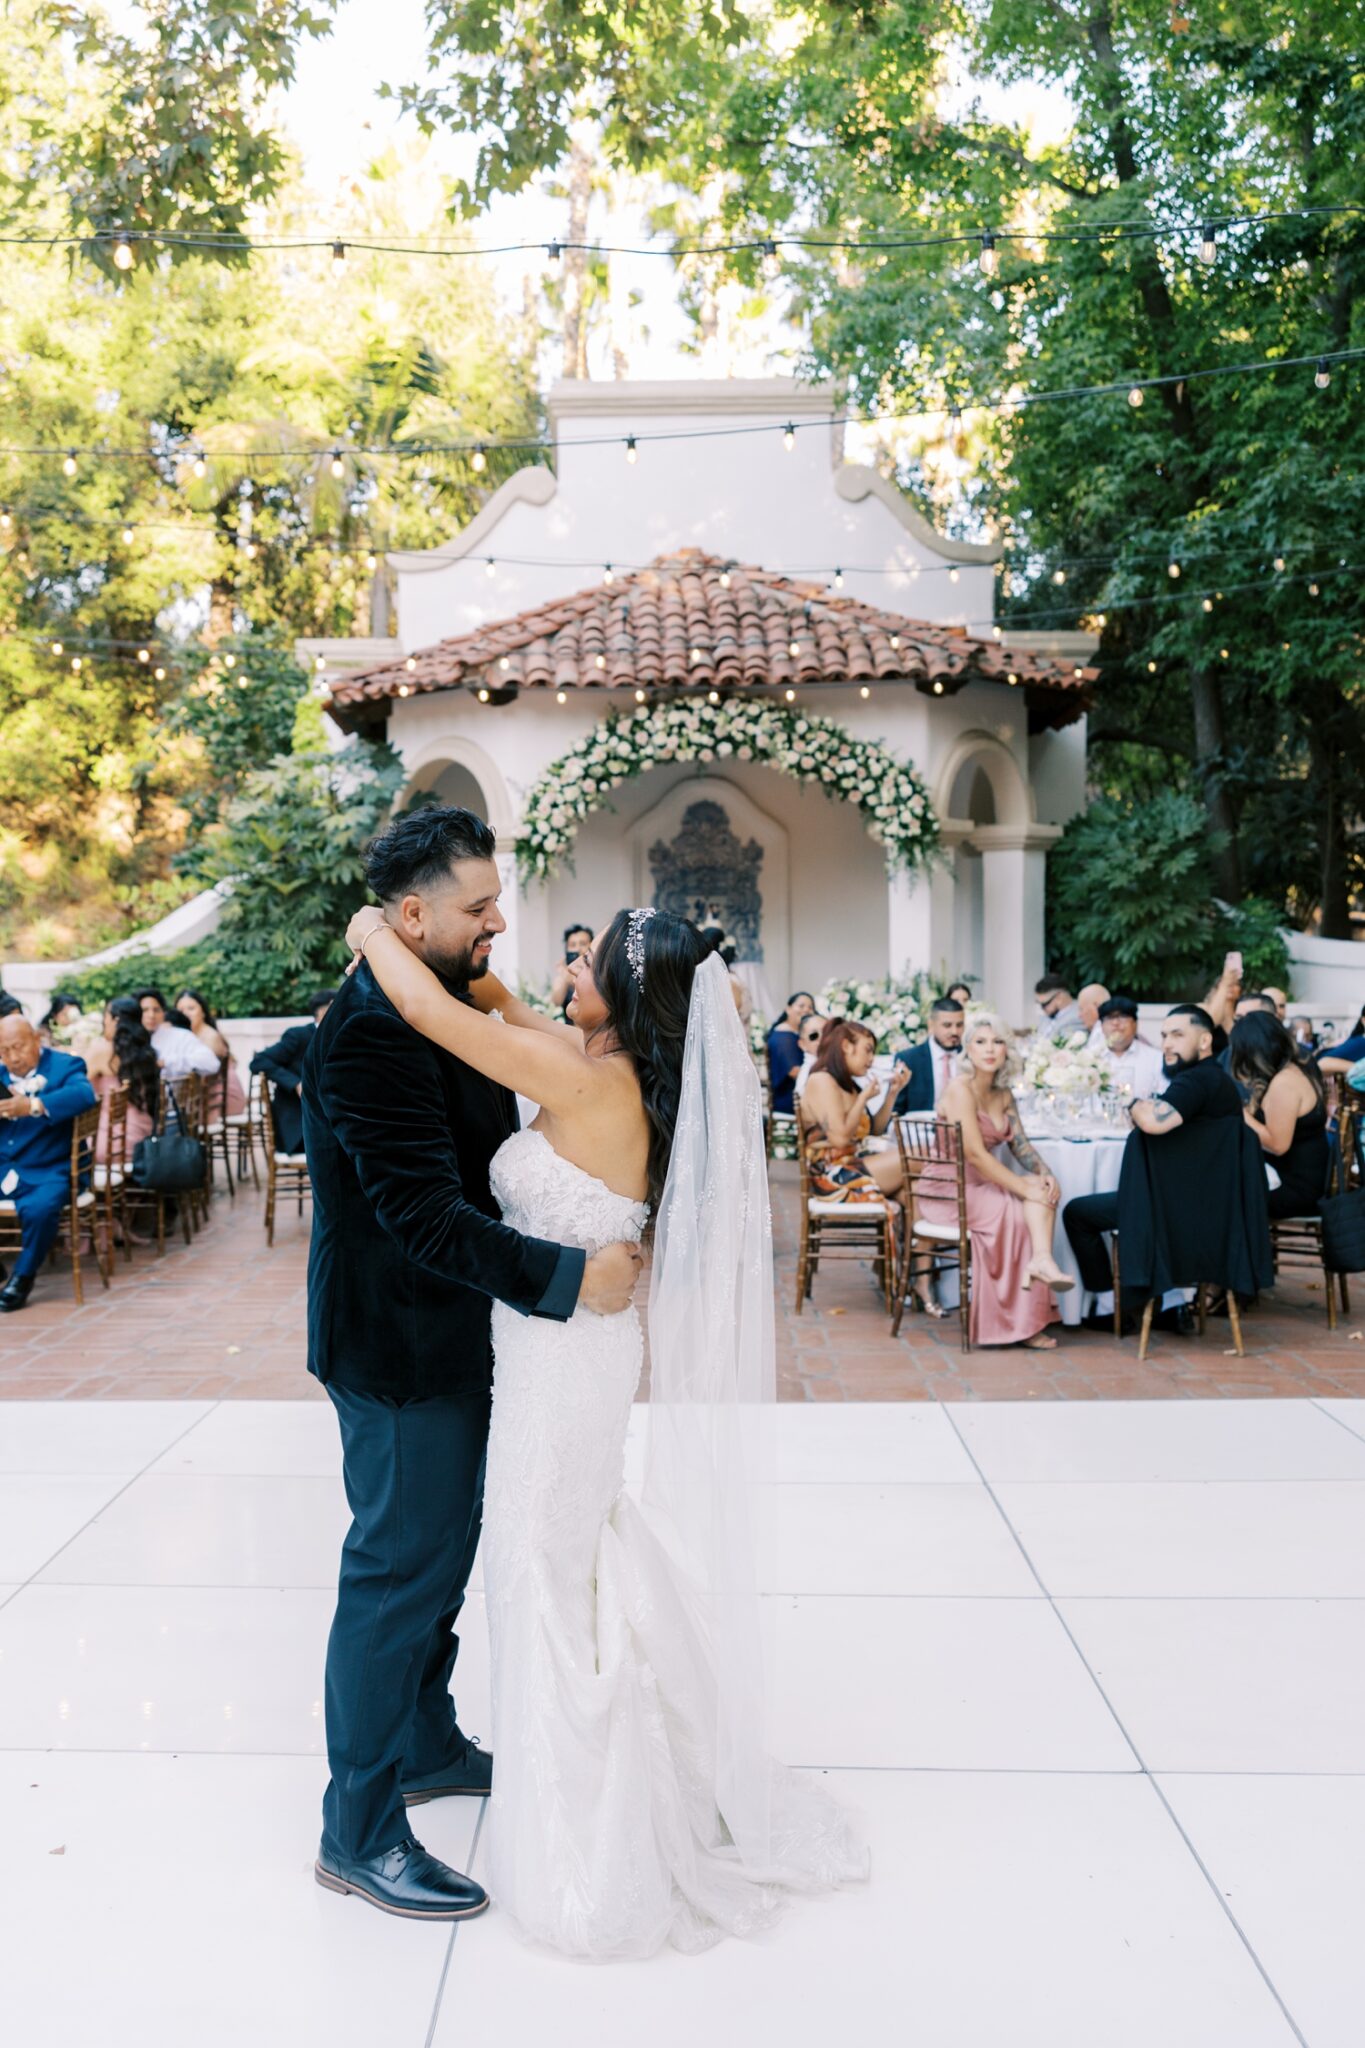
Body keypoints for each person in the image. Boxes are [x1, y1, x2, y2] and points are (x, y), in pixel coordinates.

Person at [337, 822, 863, 1952]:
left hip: (564, 1350)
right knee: (526, 1557)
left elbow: (443, 1013)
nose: (546, 957)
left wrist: (372, 925)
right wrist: (429, 939)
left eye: (583, 959)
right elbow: (488, 1005)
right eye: (484, 904)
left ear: (619, 997)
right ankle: (403, 1789)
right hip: (536, 1342)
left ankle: (580, 1799)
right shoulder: (602, 1063)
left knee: (539, 1558)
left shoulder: (583, 1080)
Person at [305, 810, 645, 1929]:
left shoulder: (445, 1000)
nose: (501, 918)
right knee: (398, 1568)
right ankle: (356, 1830)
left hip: (466, 1336)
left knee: (447, 1550)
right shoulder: (369, 1028)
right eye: (478, 906)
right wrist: (568, 1279)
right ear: (413, 916)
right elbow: (421, 1216)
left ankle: (428, 1738)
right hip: (400, 1347)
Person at [1063, 1005, 1243, 1330]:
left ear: (1204, 1041)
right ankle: (1170, 1303)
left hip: (1170, 1209)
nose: (1166, 1044)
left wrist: (1134, 1104)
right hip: (1203, 1202)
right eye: (1163, 1036)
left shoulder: (1195, 1082)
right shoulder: (1216, 1080)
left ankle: (1109, 1305)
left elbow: (1152, 1123)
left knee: (1077, 1213)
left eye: (1177, 1035)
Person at [915, 1013, 1070, 1349]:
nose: (990, 1049)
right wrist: (1021, 1186)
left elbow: (1021, 1146)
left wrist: (1044, 1175)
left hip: (982, 1183)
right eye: (981, 1042)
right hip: (949, 1187)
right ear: (967, 1049)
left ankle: (1037, 1282)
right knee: (1014, 1213)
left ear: (1006, 1051)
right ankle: (1006, 1325)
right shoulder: (960, 1090)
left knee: (1039, 1194)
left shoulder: (1003, 1095)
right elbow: (974, 1154)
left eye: (998, 1042)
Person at [0, 1012, 97, 1312]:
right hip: (4, 1165)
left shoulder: (65, 1065)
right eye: (3, 1051)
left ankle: (23, 1276)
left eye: (18, 1047)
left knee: (41, 1209)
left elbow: (84, 1094)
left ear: (37, 1040)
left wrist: (32, 1105)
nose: (12, 1057)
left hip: (50, 1167)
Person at [1229, 1011, 1330, 1219]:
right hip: (1310, 1180)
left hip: (1297, 1190)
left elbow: (1277, 1144)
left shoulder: (1284, 1083)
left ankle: (1247, 1251)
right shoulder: (1300, 1067)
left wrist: (1241, 1114)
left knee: (1222, 1195)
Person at [800, 1019, 909, 1202]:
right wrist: (862, 1099)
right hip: (831, 1177)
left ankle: (916, 1231)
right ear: (846, 1046)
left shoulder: (848, 1085)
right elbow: (840, 1139)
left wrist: (893, 1093)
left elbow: (875, 1130)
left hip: (854, 1164)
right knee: (916, 1156)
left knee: (911, 1192)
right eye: (868, 1050)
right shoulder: (821, 1080)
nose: (871, 1058)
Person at [251, 990, 335, 1155]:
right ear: (322, 1011)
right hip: (299, 1127)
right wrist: (296, 1083)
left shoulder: (343, 1036)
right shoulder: (298, 1036)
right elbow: (258, 1061)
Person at [83, 998, 161, 1166]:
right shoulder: (146, 1051)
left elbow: (76, 1086)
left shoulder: (102, 1050)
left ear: (115, 1020)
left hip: (112, 1144)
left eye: (106, 1017)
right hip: (144, 1137)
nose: (104, 1022)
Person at [175, 988, 248, 1116]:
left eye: (191, 1008)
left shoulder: (210, 1036)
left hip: (222, 1097)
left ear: (203, 1012)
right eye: (181, 1010)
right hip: (203, 1095)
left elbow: (203, 1077)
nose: (185, 1014)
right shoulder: (187, 1036)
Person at [891, 995, 965, 1114]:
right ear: (931, 1025)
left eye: (959, 1025)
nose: (954, 1031)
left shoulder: (971, 1057)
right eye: (947, 1025)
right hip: (920, 1130)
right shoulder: (909, 1060)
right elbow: (895, 1112)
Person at [133, 986, 220, 1084]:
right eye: (145, 1010)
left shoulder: (181, 1036)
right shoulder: (129, 1039)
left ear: (163, 1013)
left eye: (156, 1010)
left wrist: (167, 1062)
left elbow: (211, 1063)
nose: (151, 1015)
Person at [1095, 997, 1166, 1098]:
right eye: (1109, 1018)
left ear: (1135, 1024)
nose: (1116, 1023)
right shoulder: (1089, 1060)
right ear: (1101, 1026)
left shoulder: (1156, 1059)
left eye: (1122, 1016)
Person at [766, 989, 814, 1116]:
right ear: (788, 1009)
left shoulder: (796, 1034)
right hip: (789, 1098)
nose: (806, 1010)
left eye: (810, 1007)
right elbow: (794, 1071)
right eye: (801, 1006)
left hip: (798, 1094)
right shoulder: (783, 1036)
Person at [548, 922, 594, 1018]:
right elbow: (555, 1003)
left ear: (592, 945)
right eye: (572, 945)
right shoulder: (562, 975)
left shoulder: (598, 973)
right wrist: (564, 976)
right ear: (567, 950)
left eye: (583, 944)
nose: (578, 949)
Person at [792, 1009, 826, 1101]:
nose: (821, 1039)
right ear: (802, 1044)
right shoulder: (808, 1074)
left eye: (826, 1032)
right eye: (814, 1036)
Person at [1034, 973, 1081, 1038]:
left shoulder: (1079, 1015)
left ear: (1059, 997)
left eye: (1045, 1004)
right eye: (1039, 1004)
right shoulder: (1046, 1016)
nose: (1042, 1008)